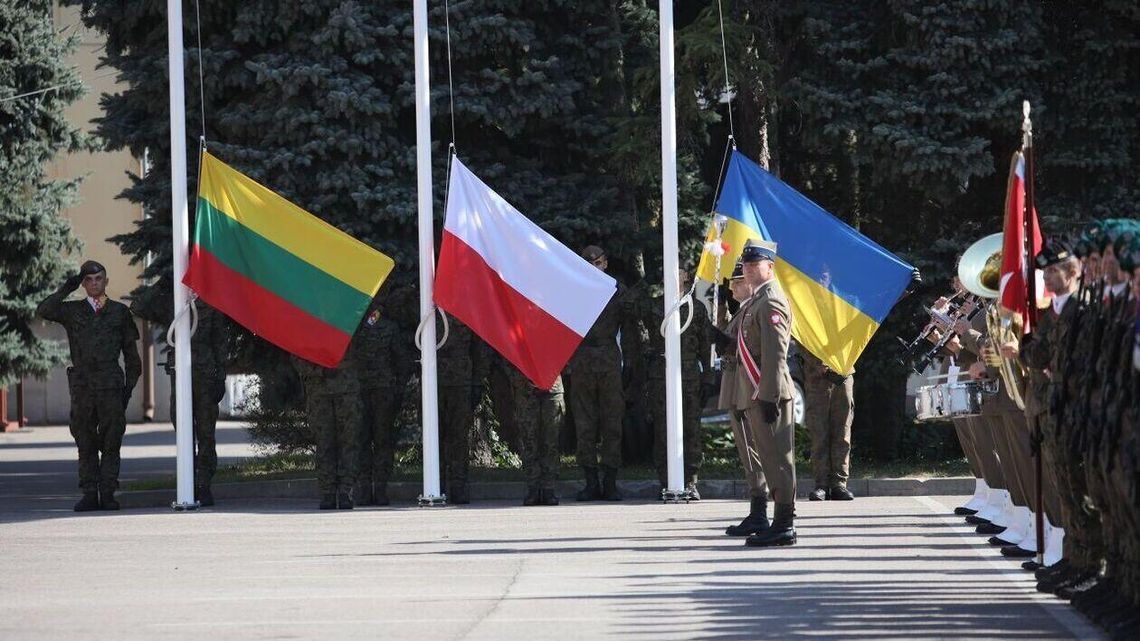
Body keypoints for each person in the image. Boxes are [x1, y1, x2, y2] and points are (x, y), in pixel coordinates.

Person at [36, 260, 142, 511]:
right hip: (83, 387)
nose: (94, 284)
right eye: (89, 280)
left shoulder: (119, 312)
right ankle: (89, 494)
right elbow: (44, 310)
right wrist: (68, 287)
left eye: (98, 279)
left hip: (110, 386)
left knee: (111, 441)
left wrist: (127, 389)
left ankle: (108, 493)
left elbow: (131, 356)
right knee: (85, 442)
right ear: (83, 284)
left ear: (106, 281)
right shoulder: (73, 311)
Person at [733, 240, 798, 548]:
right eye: (746, 264)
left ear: (770, 267)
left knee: (779, 460)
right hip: (759, 392)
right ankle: (778, 521)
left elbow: (775, 354)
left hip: (770, 394)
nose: (748, 269)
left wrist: (769, 396)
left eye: (754, 264)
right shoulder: (757, 299)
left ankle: (785, 524)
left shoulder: (770, 300)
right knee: (770, 460)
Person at [568, 245, 640, 501]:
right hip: (582, 360)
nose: (594, 268)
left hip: (609, 360)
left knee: (612, 423)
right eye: (588, 263)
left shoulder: (617, 291)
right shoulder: (573, 290)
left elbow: (630, 330)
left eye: (597, 263)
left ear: (605, 264)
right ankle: (590, 482)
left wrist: (630, 363)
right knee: (584, 424)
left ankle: (610, 482)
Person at [641, 268, 712, 499]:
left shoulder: (696, 308)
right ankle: (666, 480)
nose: (673, 276)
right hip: (661, 373)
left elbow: (705, 344)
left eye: (679, 272)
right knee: (663, 427)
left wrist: (708, 375)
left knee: (691, 427)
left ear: (686, 277)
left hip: (689, 374)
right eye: (669, 272)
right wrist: (645, 281)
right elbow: (632, 312)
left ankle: (691, 481)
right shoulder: (654, 307)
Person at [714, 262, 771, 536]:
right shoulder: (743, 310)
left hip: (747, 387)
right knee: (746, 448)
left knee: (752, 448)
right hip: (737, 385)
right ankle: (757, 508)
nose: (734, 287)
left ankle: (760, 509)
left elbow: (750, 347)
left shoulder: (754, 310)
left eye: (738, 281)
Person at [352, 289, 415, 506]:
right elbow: (402, 362)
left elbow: (402, 362)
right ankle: (376, 490)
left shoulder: (355, 328)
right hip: (379, 391)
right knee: (380, 441)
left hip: (368, 390)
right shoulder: (387, 328)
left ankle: (368, 490)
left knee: (368, 440)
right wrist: (398, 387)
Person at [165, 302, 231, 506]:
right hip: (180, 379)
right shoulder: (173, 300)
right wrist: (166, 287)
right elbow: (140, 307)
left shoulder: (210, 304)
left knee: (206, 434)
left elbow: (220, 342)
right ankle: (188, 482)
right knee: (183, 432)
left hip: (205, 377)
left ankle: (204, 485)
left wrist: (221, 377)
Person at [294, 353, 361, 510]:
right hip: (319, 393)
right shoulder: (308, 336)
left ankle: (346, 491)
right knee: (324, 444)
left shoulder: (351, 335)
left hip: (347, 391)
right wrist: (320, 371)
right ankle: (327, 492)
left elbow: (362, 354)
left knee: (348, 442)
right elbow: (297, 357)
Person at [436, 318, 490, 504]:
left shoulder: (465, 311)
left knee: (459, 437)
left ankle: (458, 486)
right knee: (435, 437)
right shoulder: (427, 309)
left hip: (461, 382)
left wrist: (477, 382)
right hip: (433, 382)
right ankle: (436, 485)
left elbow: (479, 349)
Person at [499, 355, 563, 506]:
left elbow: (564, 352)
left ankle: (549, 488)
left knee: (550, 441)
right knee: (529, 440)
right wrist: (517, 376)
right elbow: (508, 355)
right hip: (525, 389)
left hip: (552, 388)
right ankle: (533, 488)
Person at [803, 352, 855, 501]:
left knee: (842, 431)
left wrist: (843, 364)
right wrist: (822, 366)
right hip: (817, 375)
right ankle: (821, 484)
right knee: (819, 432)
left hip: (843, 371)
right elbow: (803, 341)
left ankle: (839, 483)